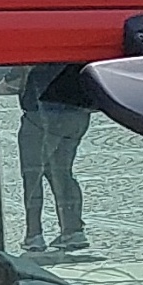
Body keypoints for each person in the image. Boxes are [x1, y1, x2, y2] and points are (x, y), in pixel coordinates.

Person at [17, 63, 93, 251]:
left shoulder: (37, 52)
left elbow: (16, 76)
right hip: (77, 112)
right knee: (62, 171)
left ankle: (34, 234)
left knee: (33, 173)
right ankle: (73, 230)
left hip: (41, 114)